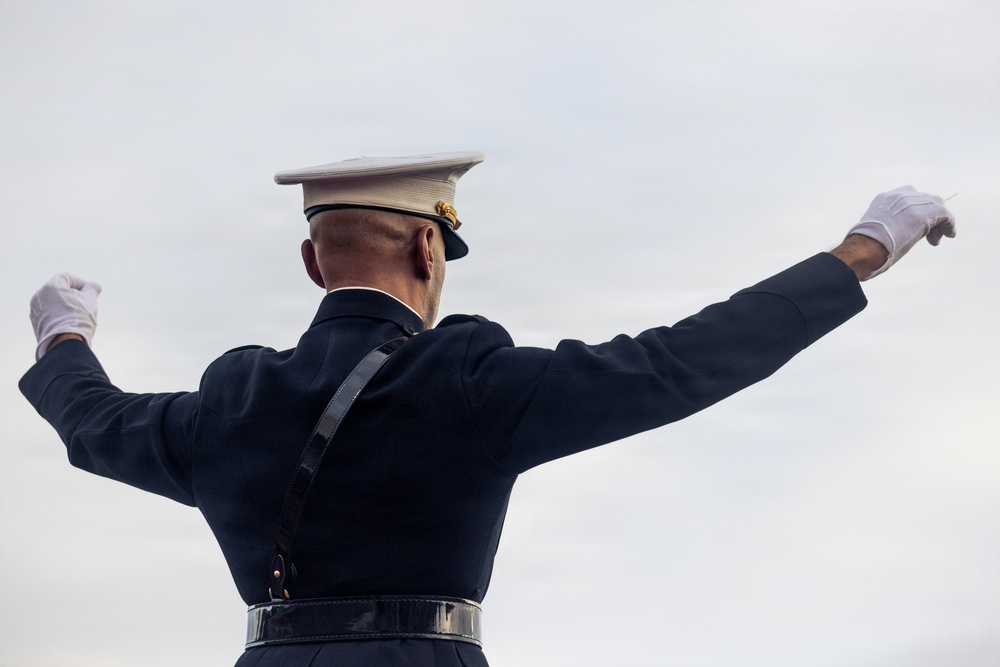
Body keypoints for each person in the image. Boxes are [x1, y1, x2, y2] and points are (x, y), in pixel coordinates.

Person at [19, 151, 956, 667]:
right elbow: (674, 363)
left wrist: (64, 335)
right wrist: (858, 253)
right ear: (428, 249)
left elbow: (94, 422)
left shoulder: (233, 399)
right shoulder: (466, 378)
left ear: (312, 262)